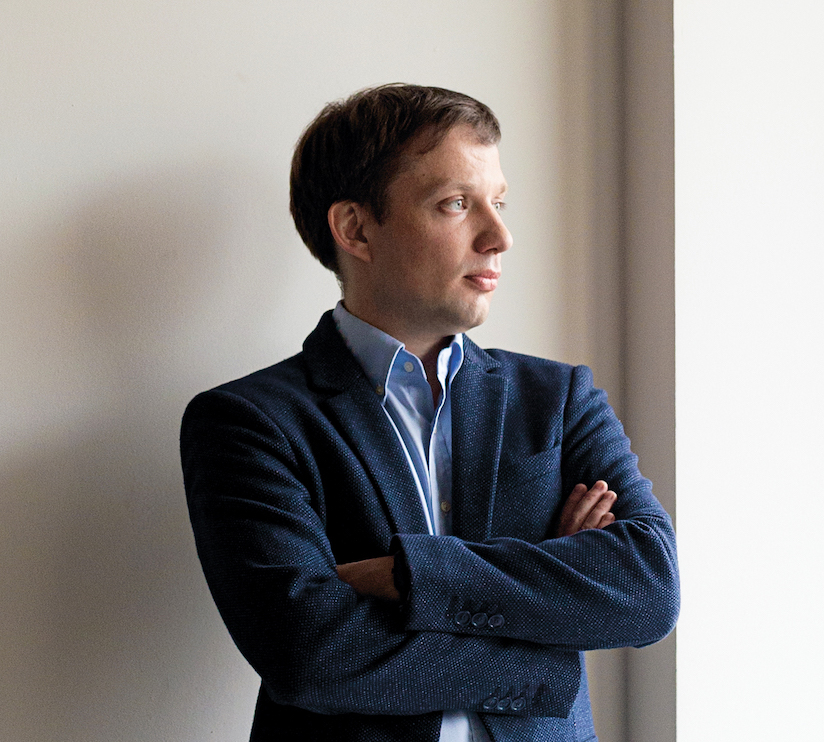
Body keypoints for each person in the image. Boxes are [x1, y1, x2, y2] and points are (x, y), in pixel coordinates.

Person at [181, 83, 679, 742]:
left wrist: (411, 574)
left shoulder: (559, 399)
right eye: (456, 204)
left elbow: (647, 590)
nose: (499, 237)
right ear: (356, 229)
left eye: (499, 202)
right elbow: (312, 656)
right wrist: (548, 627)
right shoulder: (248, 422)